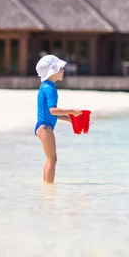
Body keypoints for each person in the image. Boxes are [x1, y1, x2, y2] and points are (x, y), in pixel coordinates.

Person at [35, 54, 82, 183]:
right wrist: (72, 110)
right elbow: (53, 110)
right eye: (60, 68)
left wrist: (70, 119)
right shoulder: (49, 89)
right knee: (52, 159)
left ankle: (46, 185)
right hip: (45, 127)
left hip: (42, 126)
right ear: (52, 72)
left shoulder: (45, 86)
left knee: (49, 159)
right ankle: (49, 189)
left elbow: (51, 113)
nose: (63, 71)